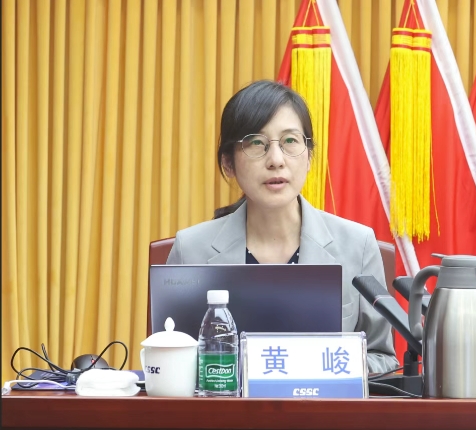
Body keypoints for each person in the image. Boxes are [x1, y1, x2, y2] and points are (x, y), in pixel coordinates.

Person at [167, 80, 399, 373]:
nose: (276, 160)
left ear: (309, 156)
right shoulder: (191, 250)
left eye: (290, 141)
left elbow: (383, 359)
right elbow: (170, 361)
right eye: (256, 143)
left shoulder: (358, 246)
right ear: (228, 163)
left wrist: (317, 371)